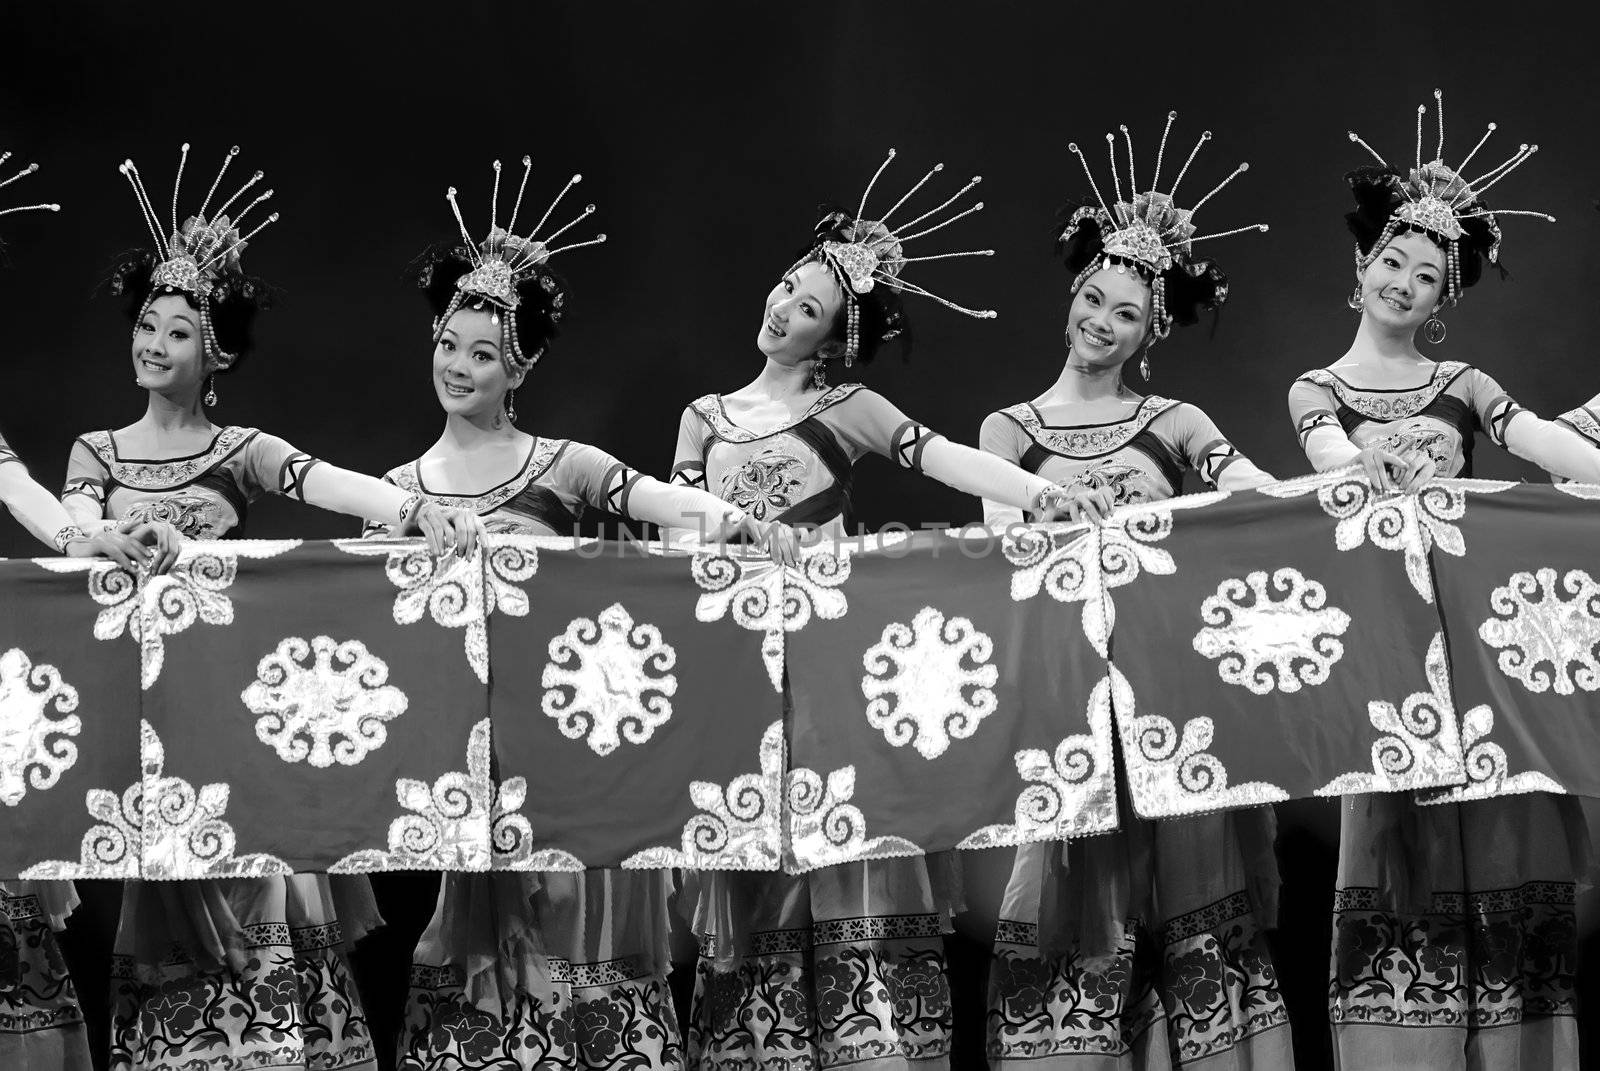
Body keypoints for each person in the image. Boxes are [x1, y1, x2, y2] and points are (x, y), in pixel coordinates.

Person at [61, 144, 478, 1071]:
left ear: (219, 351)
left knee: (260, 904)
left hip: (228, 706)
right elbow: (73, 529)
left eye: (174, 331)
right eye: (145, 325)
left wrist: (419, 509)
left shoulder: (243, 447)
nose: (151, 342)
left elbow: (333, 486)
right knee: (169, 915)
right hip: (140, 714)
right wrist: (106, 539)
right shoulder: (95, 452)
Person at [372, 157, 792, 1071]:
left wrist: (739, 521)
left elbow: (655, 500)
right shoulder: (396, 494)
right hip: (470, 769)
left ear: (518, 365)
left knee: (590, 962)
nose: (460, 364)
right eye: (450, 342)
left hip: (574, 753)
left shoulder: (559, 463)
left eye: (484, 352)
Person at [671, 150, 1075, 1071]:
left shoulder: (847, 406)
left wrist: (1038, 496)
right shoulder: (704, 416)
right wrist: (720, 537)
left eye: (807, 306)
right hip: (738, 674)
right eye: (785, 287)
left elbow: (942, 459)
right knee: (758, 879)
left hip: (828, 673)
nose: (782, 307)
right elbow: (676, 532)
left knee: (854, 872)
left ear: (833, 337)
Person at [979, 115, 1292, 1070]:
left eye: (1125, 312)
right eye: (1091, 297)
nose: (1099, 321)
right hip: (1070, 687)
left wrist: (1335, 495)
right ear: (1072, 295)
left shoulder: (1176, 419)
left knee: (1193, 891)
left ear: (1152, 332)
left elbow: (1250, 490)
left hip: (1169, 685)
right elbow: (1003, 549)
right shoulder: (1006, 429)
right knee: (1077, 895)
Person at [1287, 91, 1591, 1068]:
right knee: (1395, 842)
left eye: (1427, 274)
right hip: (1382, 644)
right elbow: (1331, 463)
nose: (1403, 283)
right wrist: (1355, 474)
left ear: (1443, 297)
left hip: (1471, 639)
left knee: (1498, 835)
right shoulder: (1317, 390)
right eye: (1391, 263)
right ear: (1360, 267)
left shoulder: (1465, 388)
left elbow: (1545, 447)